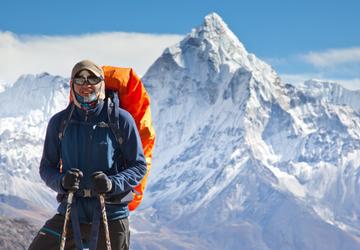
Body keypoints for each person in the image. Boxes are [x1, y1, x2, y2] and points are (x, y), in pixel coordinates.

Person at [29, 60, 147, 250]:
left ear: (101, 83)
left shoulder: (121, 120)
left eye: (92, 78)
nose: (86, 85)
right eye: (80, 79)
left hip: (111, 213)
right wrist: (62, 182)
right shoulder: (59, 122)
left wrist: (112, 183)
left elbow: (139, 165)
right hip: (71, 210)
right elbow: (46, 168)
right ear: (72, 84)